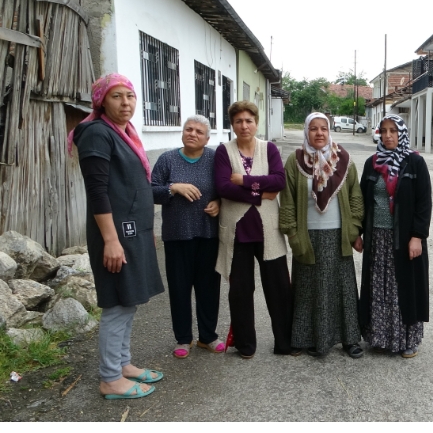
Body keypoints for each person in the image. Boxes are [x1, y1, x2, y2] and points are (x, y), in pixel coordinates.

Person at [69, 73, 164, 400]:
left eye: (130, 96)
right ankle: (110, 378)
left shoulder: (124, 133)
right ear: (101, 101)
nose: (126, 103)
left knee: (130, 300)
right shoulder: (97, 133)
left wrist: (145, 233)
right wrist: (111, 240)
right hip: (115, 234)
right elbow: (98, 191)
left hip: (133, 232)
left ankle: (122, 364)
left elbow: (132, 190)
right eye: (117, 96)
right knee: (117, 305)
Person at [279, 112, 364, 358]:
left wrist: (354, 227)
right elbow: (287, 203)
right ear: (306, 132)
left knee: (343, 289)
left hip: (339, 236)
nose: (319, 133)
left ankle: (349, 339)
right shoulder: (295, 162)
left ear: (329, 131)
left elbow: (356, 197)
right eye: (313, 129)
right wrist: (293, 234)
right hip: (308, 237)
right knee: (307, 290)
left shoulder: (344, 160)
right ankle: (304, 338)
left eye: (323, 129)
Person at [214, 100, 293, 358]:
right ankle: (246, 345)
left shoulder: (268, 148)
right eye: (238, 121)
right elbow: (223, 187)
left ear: (256, 123)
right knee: (240, 290)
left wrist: (246, 181)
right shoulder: (224, 151)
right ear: (232, 125)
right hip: (237, 231)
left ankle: (285, 342)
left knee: (279, 287)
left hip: (267, 230)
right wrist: (260, 194)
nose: (244, 125)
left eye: (249, 120)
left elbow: (279, 181)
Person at [358, 114, 431, 358]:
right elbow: (361, 201)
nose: (388, 135)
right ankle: (379, 337)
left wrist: (417, 236)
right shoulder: (372, 163)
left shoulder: (414, 163)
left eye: (393, 130)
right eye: (384, 130)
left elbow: (424, 203)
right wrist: (357, 233)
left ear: (402, 134)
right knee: (378, 288)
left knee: (404, 287)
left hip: (404, 238)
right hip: (377, 239)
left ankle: (407, 339)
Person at [152, 115, 222, 359]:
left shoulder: (215, 159)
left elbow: (226, 188)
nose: (192, 133)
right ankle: (183, 338)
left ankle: (208, 337)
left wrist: (219, 202)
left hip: (208, 234)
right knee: (179, 288)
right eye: (188, 129)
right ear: (182, 133)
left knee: (208, 287)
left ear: (207, 138)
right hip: (176, 235)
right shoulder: (167, 159)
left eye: (198, 131)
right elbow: (150, 191)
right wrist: (173, 188)